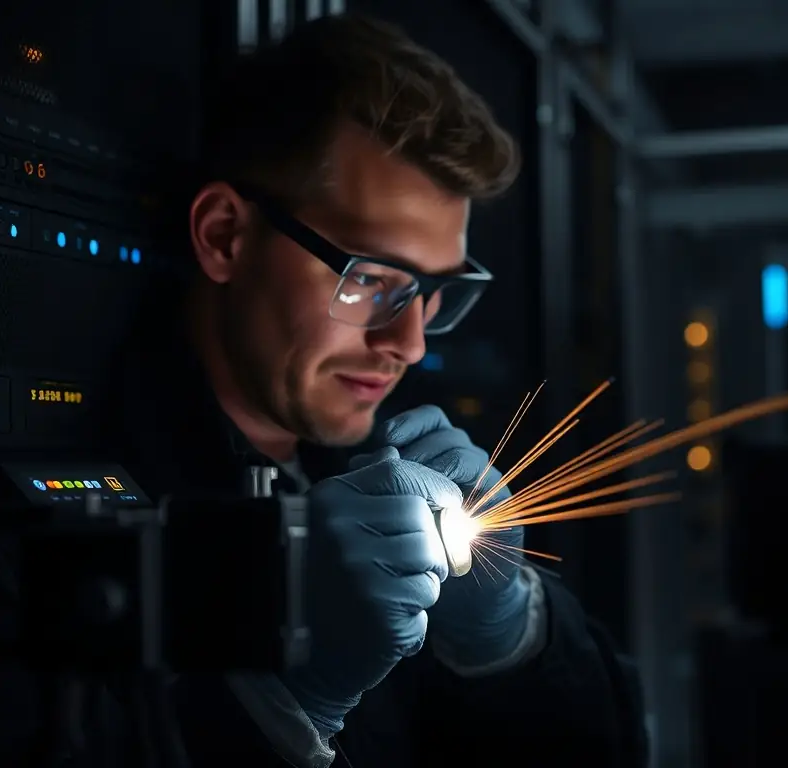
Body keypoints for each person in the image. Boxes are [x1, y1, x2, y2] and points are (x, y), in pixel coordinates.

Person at [83, 12, 646, 768]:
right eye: (371, 279)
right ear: (224, 235)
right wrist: (284, 706)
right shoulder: (91, 515)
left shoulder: (375, 475)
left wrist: (510, 636)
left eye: (435, 291)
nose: (408, 343)